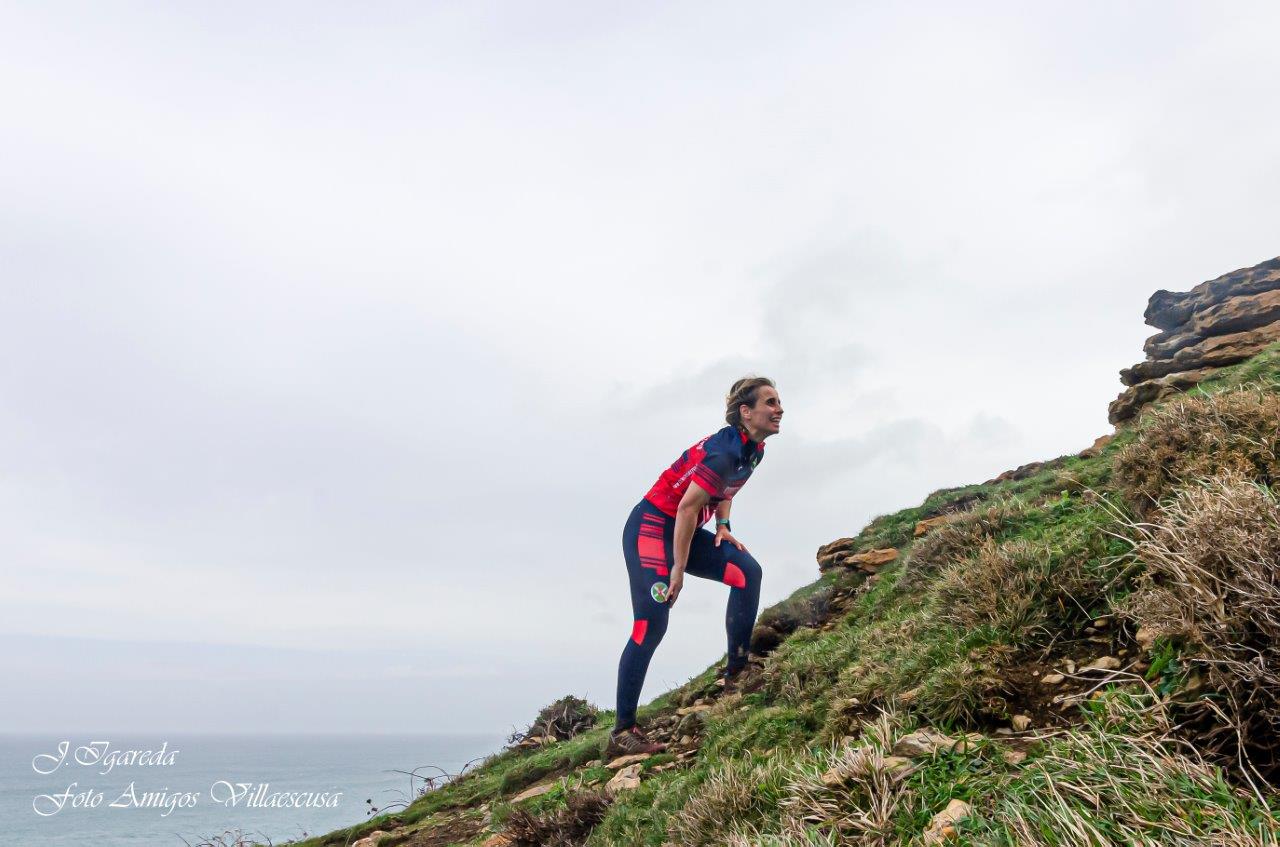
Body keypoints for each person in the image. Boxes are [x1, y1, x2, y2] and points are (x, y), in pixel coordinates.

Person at [604, 376, 783, 757]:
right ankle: (622, 732)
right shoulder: (724, 452)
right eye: (770, 402)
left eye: (778, 402)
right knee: (651, 623)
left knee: (747, 572)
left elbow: (726, 490)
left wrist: (723, 526)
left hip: (681, 528)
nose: (779, 409)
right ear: (746, 412)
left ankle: (737, 672)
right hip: (652, 527)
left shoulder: (754, 449)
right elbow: (686, 507)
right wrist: (678, 570)